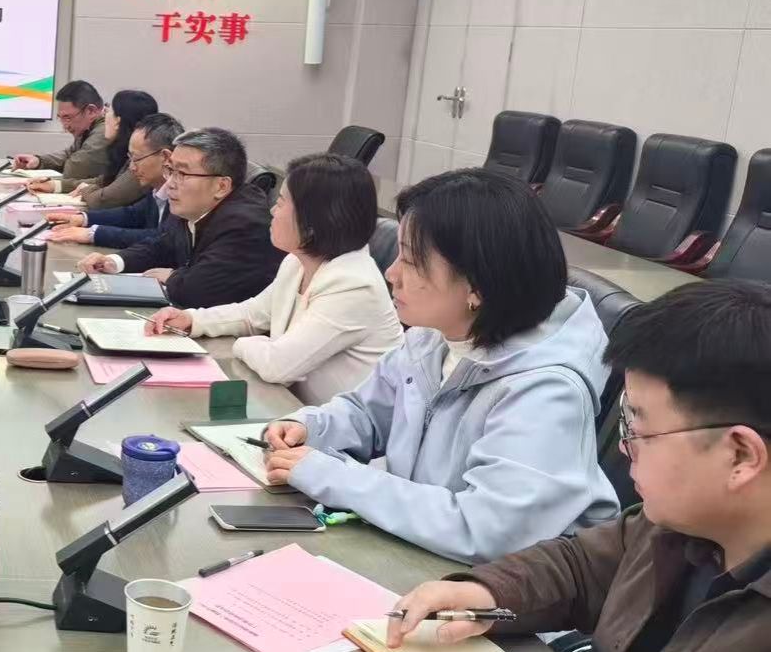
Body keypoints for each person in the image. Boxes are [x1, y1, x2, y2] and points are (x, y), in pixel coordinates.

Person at [388, 280, 771, 652]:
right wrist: (484, 592)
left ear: (740, 456)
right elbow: (581, 566)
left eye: (638, 431)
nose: (625, 452)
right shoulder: (676, 525)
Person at [262, 168, 619, 564]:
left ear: (476, 287)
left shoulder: (547, 392)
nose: (391, 273)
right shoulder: (435, 335)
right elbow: (368, 412)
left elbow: (486, 530)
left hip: (499, 589)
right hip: (419, 553)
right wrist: (311, 427)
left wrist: (334, 477)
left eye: (411, 261)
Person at [147, 153, 402, 405]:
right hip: (292, 409)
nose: (272, 211)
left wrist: (246, 344)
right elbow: (252, 315)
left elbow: (277, 366)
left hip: (339, 428)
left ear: (313, 220)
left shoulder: (354, 285)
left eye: (280, 203)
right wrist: (192, 320)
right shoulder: (298, 261)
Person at [73, 127, 282, 308]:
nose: (170, 183)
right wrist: (115, 261)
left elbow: (199, 290)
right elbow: (161, 246)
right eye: (170, 170)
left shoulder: (246, 224)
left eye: (182, 174)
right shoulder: (193, 207)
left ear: (221, 186)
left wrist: (173, 276)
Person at [45, 112, 182, 248]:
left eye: (137, 158)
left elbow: (164, 237)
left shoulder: (183, 193)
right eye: (130, 158)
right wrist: (82, 218)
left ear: (165, 157)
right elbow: (132, 215)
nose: (132, 167)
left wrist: (93, 234)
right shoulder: (158, 189)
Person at [30, 89, 159, 210]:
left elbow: (104, 199)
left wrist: (86, 190)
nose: (104, 115)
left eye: (108, 111)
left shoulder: (142, 161)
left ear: (118, 122)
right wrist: (55, 185)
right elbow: (103, 181)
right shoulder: (123, 151)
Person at [10, 79, 109, 190]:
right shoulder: (89, 126)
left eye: (68, 118)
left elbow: (73, 171)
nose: (65, 126)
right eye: (60, 118)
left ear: (91, 111)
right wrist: (39, 161)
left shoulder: (105, 130)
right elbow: (70, 154)